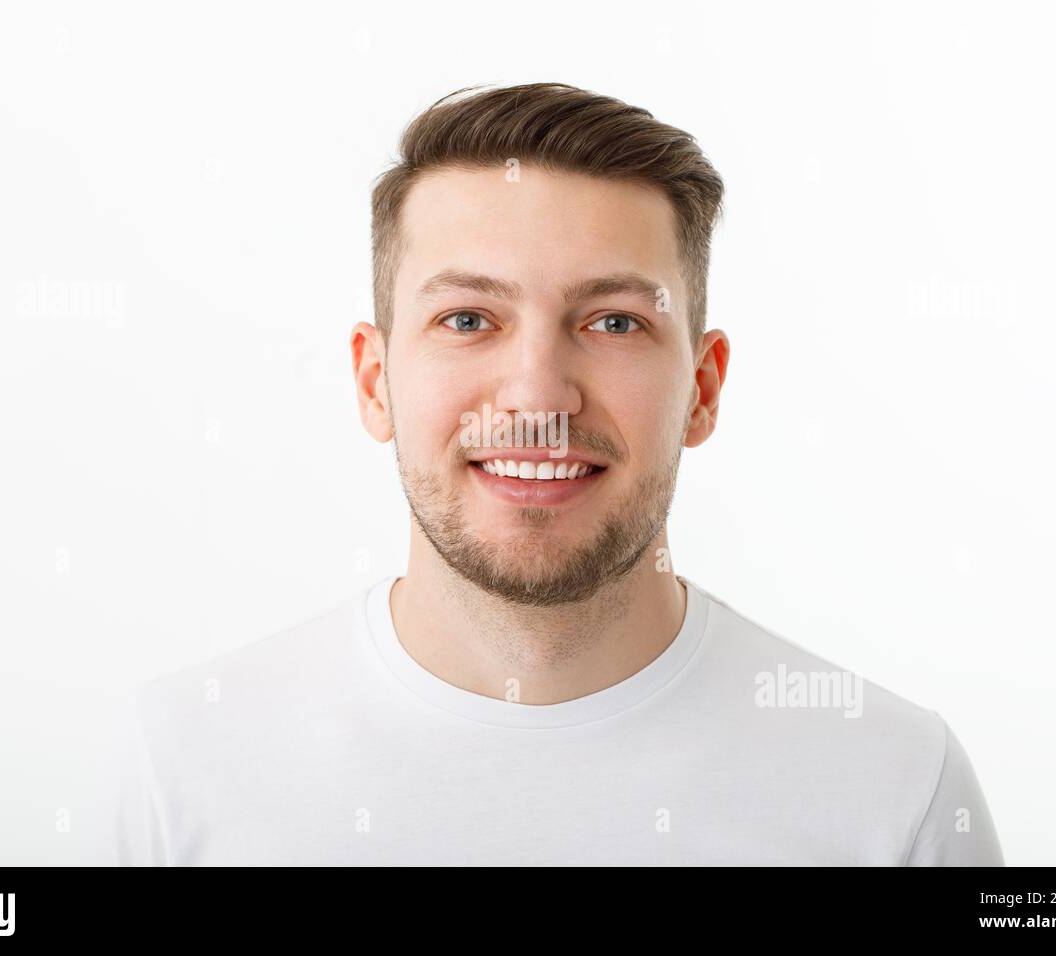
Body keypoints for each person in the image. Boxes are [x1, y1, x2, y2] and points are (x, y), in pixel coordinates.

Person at [113, 82, 1003, 866]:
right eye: (468, 320)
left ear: (702, 388)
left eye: (614, 323)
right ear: (374, 381)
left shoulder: (894, 788)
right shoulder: (184, 762)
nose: (538, 393)